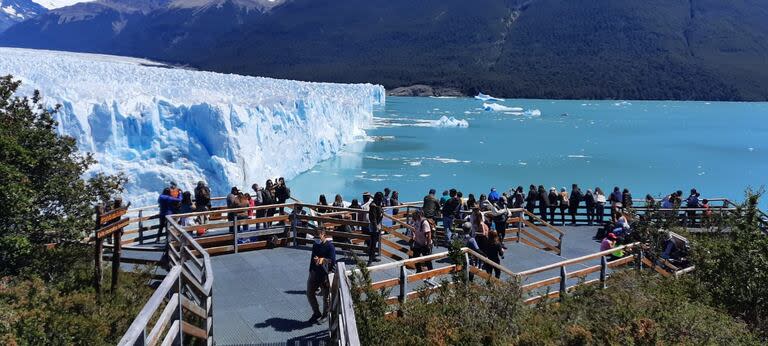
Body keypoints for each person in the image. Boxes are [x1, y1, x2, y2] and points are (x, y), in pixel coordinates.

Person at [306, 228, 336, 323]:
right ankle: (316, 312)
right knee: (310, 293)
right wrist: (311, 270)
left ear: (323, 235)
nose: (316, 239)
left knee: (325, 297)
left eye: (318, 237)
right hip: (314, 273)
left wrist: (323, 260)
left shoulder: (330, 247)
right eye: (315, 237)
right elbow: (312, 258)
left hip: (324, 274)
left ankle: (325, 315)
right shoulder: (315, 245)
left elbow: (332, 261)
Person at [367, 192, 384, 264]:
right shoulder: (373, 206)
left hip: (377, 225)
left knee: (374, 242)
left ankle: (372, 257)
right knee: (373, 243)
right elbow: (373, 217)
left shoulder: (377, 204)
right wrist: (375, 227)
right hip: (374, 226)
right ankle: (370, 259)